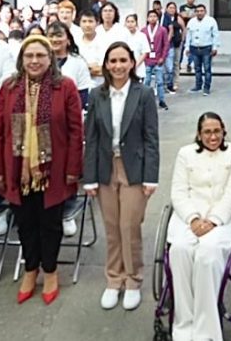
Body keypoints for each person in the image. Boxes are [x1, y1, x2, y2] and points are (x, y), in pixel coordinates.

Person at [0, 35, 83, 306]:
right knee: (25, 223)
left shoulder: (64, 86)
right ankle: (31, 270)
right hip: (16, 169)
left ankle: (51, 272)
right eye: (29, 56)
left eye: (40, 56)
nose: (34, 61)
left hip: (53, 170)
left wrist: (73, 169)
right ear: (21, 59)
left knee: (50, 224)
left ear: (50, 58)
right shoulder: (9, 87)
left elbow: (76, 132)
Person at [83, 42, 159, 311]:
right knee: (112, 228)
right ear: (105, 65)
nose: (117, 66)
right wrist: (89, 178)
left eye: (122, 60)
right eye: (112, 61)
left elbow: (151, 138)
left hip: (134, 170)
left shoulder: (145, 94)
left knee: (130, 226)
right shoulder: (96, 95)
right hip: (105, 168)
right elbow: (90, 138)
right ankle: (114, 280)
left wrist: (151, 177)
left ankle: (133, 280)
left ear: (131, 63)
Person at [168, 113, 231, 341]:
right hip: (187, 218)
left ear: (224, 132)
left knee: (207, 256)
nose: (213, 136)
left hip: (220, 220)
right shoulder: (185, 154)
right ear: (199, 135)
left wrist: (213, 220)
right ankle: (183, 327)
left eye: (217, 131)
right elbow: (178, 192)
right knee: (179, 251)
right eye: (207, 132)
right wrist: (192, 219)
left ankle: (206, 332)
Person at [184, 4, 220, 96]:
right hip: (194, 48)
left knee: (207, 69)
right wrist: (187, 47)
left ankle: (206, 87)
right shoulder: (191, 22)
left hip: (206, 48)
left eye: (201, 11)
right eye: (198, 11)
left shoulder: (211, 21)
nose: (200, 13)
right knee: (197, 68)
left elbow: (215, 35)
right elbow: (188, 36)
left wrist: (215, 47)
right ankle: (198, 85)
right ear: (195, 12)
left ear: (205, 11)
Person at [140, 10, 170, 110]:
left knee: (160, 82)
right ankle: (144, 101)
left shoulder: (162, 30)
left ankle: (162, 101)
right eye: (150, 16)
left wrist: (163, 57)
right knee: (146, 81)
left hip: (158, 59)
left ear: (157, 18)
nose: (152, 18)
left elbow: (166, 44)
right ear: (147, 18)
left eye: (154, 16)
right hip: (147, 59)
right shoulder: (143, 31)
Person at [161, 2, 183, 94]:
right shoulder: (165, 17)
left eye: (173, 8)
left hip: (176, 44)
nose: (172, 9)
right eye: (170, 7)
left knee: (175, 64)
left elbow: (183, 28)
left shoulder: (178, 17)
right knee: (167, 66)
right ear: (166, 8)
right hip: (168, 45)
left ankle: (174, 83)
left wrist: (183, 40)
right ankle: (166, 84)